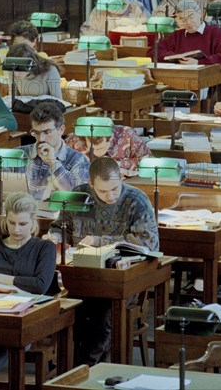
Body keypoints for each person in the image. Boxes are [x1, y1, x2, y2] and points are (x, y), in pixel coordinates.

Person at [46, 157, 158, 366]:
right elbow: (59, 226)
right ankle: (69, 366)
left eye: (115, 188)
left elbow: (147, 243)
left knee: (101, 317)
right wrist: (54, 238)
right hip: (80, 276)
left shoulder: (136, 200)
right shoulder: (78, 196)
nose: (111, 195)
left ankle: (83, 367)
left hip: (118, 280)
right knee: (65, 310)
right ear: (91, 185)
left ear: (122, 178)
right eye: (103, 191)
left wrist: (100, 241)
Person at [0, 192, 57, 388]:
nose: (16, 229)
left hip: (23, 318)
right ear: (5, 219)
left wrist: (3, 280)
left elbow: (40, 284)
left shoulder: (44, 248)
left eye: (23, 224)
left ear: (33, 222)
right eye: (12, 222)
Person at [19, 102, 90, 201]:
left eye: (47, 132)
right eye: (36, 132)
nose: (41, 139)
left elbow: (78, 197)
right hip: (22, 214)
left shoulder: (79, 160)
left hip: (59, 216)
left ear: (61, 129)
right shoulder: (19, 155)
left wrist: (53, 163)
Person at [147, 0, 221, 66]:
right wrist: (176, 57)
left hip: (206, 81)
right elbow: (151, 53)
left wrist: (199, 62)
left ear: (199, 13)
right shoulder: (177, 35)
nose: (188, 22)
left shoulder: (214, 33)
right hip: (180, 78)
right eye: (183, 19)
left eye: (191, 16)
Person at [65, 124, 152, 176]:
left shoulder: (127, 134)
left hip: (125, 185)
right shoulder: (75, 139)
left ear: (111, 139)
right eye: (91, 148)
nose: (95, 152)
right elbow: (63, 164)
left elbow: (148, 161)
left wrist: (117, 165)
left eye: (100, 148)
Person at [80, 0, 150, 35]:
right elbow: (85, 32)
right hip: (106, 56)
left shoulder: (136, 7)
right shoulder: (98, 10)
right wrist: (107, 36)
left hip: (134, 55)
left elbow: (149, 31)